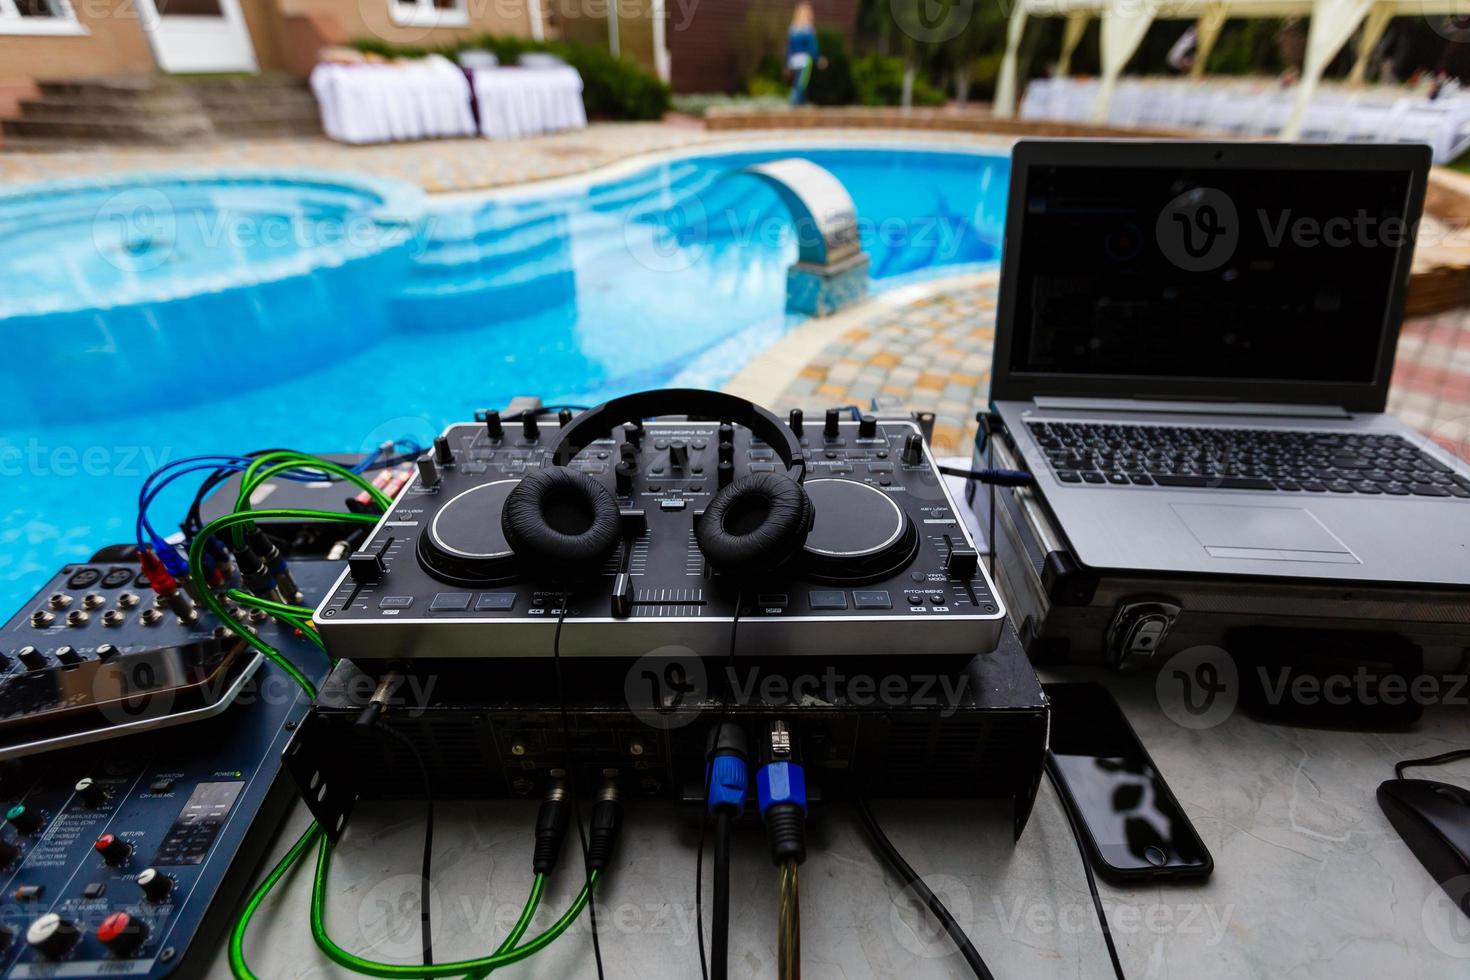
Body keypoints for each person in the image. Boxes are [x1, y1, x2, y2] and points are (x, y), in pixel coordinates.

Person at [785, 2, 826, 106]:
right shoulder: (808, 30)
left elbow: (789, 48)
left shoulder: (793, 29)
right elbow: (812, 47)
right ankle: (796, 102)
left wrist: (787, 62)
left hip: (795, 61)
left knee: (798, 82)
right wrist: (818, 59)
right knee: (801, 83)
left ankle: (799, 102)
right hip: (804, 61)